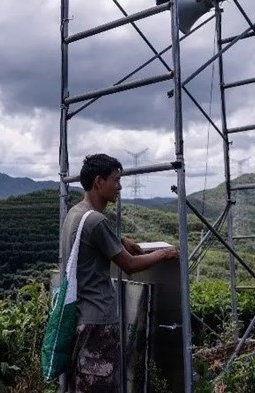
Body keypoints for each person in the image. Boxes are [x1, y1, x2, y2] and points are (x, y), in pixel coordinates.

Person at [63, 154, 180, 393]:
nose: (119, 187)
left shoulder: (75, 214)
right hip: (99, 319)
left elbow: (90, 242)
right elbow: (130, 265)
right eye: (115, 180)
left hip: (79, 315)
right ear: (99, 181)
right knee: (100, 385)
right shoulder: (96, 221)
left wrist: (119, 239)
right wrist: (164, 254)